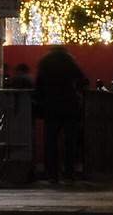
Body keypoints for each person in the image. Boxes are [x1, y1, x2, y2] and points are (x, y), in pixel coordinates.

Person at [32, 44, 88, 183]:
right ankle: (68, 172)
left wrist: (41, 100)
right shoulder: (68, 61)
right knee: (70, 142)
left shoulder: (45, 63)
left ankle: (52, 173)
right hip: (69, 106)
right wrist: (77, 90)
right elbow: (84, 79)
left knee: (51, 142)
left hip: (51, 107)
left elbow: (38, 86)